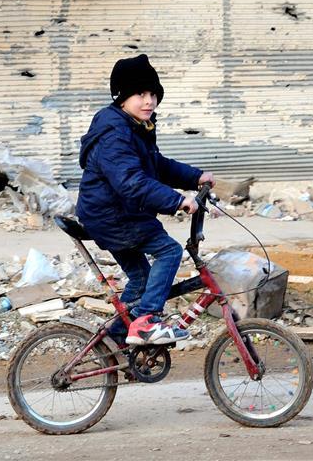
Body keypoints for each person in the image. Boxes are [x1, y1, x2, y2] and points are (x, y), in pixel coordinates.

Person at [76, 54, 214, 346]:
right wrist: (177, 201)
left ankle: (113, 344)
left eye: (153, 94)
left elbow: (157, 165)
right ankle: (147, 320)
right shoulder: (114, 133)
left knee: (140, 280)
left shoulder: (136, 126)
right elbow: (130, 181)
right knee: (169, 251)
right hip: (114, 216)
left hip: (116, 214)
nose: (149, 101)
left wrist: (195, 177)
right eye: (140, 94)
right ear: (122, 97)